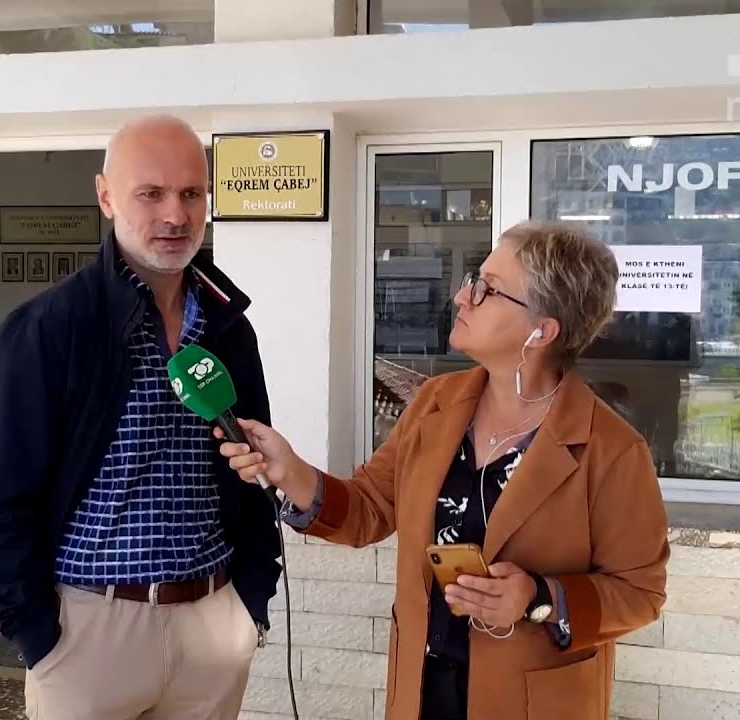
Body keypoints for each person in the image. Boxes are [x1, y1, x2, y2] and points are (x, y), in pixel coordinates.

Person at [217, 221, 669, 720]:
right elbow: (369, 507)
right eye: (474, 280)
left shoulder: (611, 449)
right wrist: (290, 471)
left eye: (488, 289)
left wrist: (539, 598)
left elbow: (640, 592)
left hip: (530, 702)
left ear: (542, 331)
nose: (462, 296)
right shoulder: (435, 403)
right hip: (422, 689)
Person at [0, 114, 281, 720]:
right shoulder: (47, 330)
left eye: (192, 194)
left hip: (213, 626)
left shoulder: (228, 329)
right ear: (106, 196)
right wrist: (40, 637)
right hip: (88, 634)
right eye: (151, 193)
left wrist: (249, 602)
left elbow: (253, 472)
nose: (175, 215)